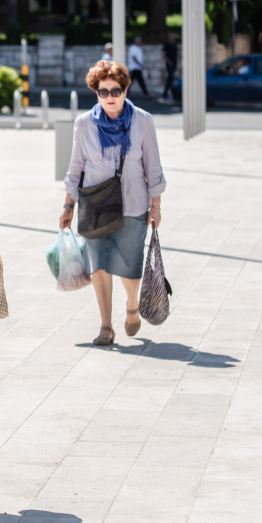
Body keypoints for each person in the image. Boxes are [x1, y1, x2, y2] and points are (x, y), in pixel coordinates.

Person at [61, 60, 166, 346]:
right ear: (95, 92)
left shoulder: (142, 121)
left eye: (116, 91)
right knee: (99, 266)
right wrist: (68, 205)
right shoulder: (84, 124)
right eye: (102, 91)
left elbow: (153, 166)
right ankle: (106, 325)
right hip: (94, 206)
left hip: (133, 205)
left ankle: (132, 304)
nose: (109, 97)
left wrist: (156, 205)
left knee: (130, 266)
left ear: (126, 89)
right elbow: (75, 167)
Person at [162, 33, 178, 99]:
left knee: (170, 78)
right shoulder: (167, 44)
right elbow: (164, 55)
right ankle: (170, 92)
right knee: (171, 78)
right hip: (169, 64)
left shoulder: (175, 44)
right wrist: (169, 61)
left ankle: (166, 92)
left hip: (174, 63)